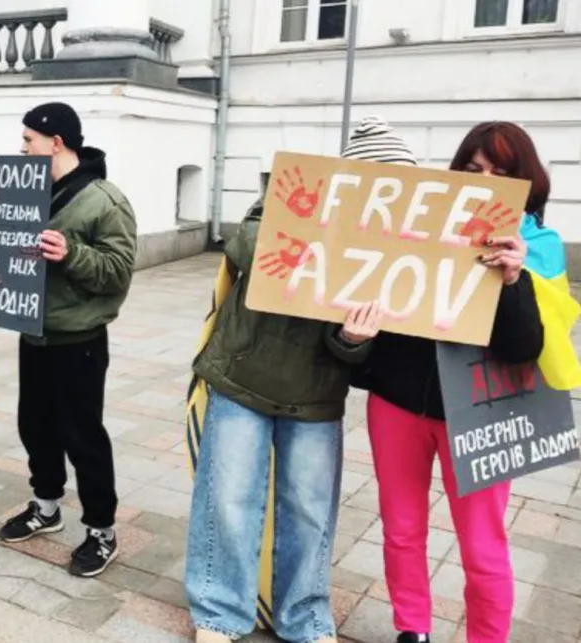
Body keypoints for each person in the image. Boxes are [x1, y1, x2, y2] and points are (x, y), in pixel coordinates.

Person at [185, 116, 410, 643]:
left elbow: (354, 348)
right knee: (228, 499)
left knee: (309, 513)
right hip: (243, 375)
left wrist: (354, 337)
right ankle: (218, 613)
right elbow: (243, 249)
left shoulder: (393, 248)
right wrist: (307, 225)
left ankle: (305, 618)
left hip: (317, 394)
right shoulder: (295, 195)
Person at [354, 121, 550, 643]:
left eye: (501, 173)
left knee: (482, 545)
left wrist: (513, 280)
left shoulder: (536, 246)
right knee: (401, 529)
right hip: (397, 401)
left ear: (524, 183)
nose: (485, 182)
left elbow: (525, 347)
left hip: (483, 411)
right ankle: (411, 629)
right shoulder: (418, 228)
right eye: (473, 168)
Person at [0, 102, 137, 578]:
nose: (21, 148)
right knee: (35, 426)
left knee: (82, 435)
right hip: (33, 332)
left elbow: (117, 272)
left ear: (56, 143)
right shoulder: (25, 191)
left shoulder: (105, 200)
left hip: (79, 339)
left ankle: (101, 530)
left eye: (28, 140)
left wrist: (71, 253)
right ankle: (46, 505)